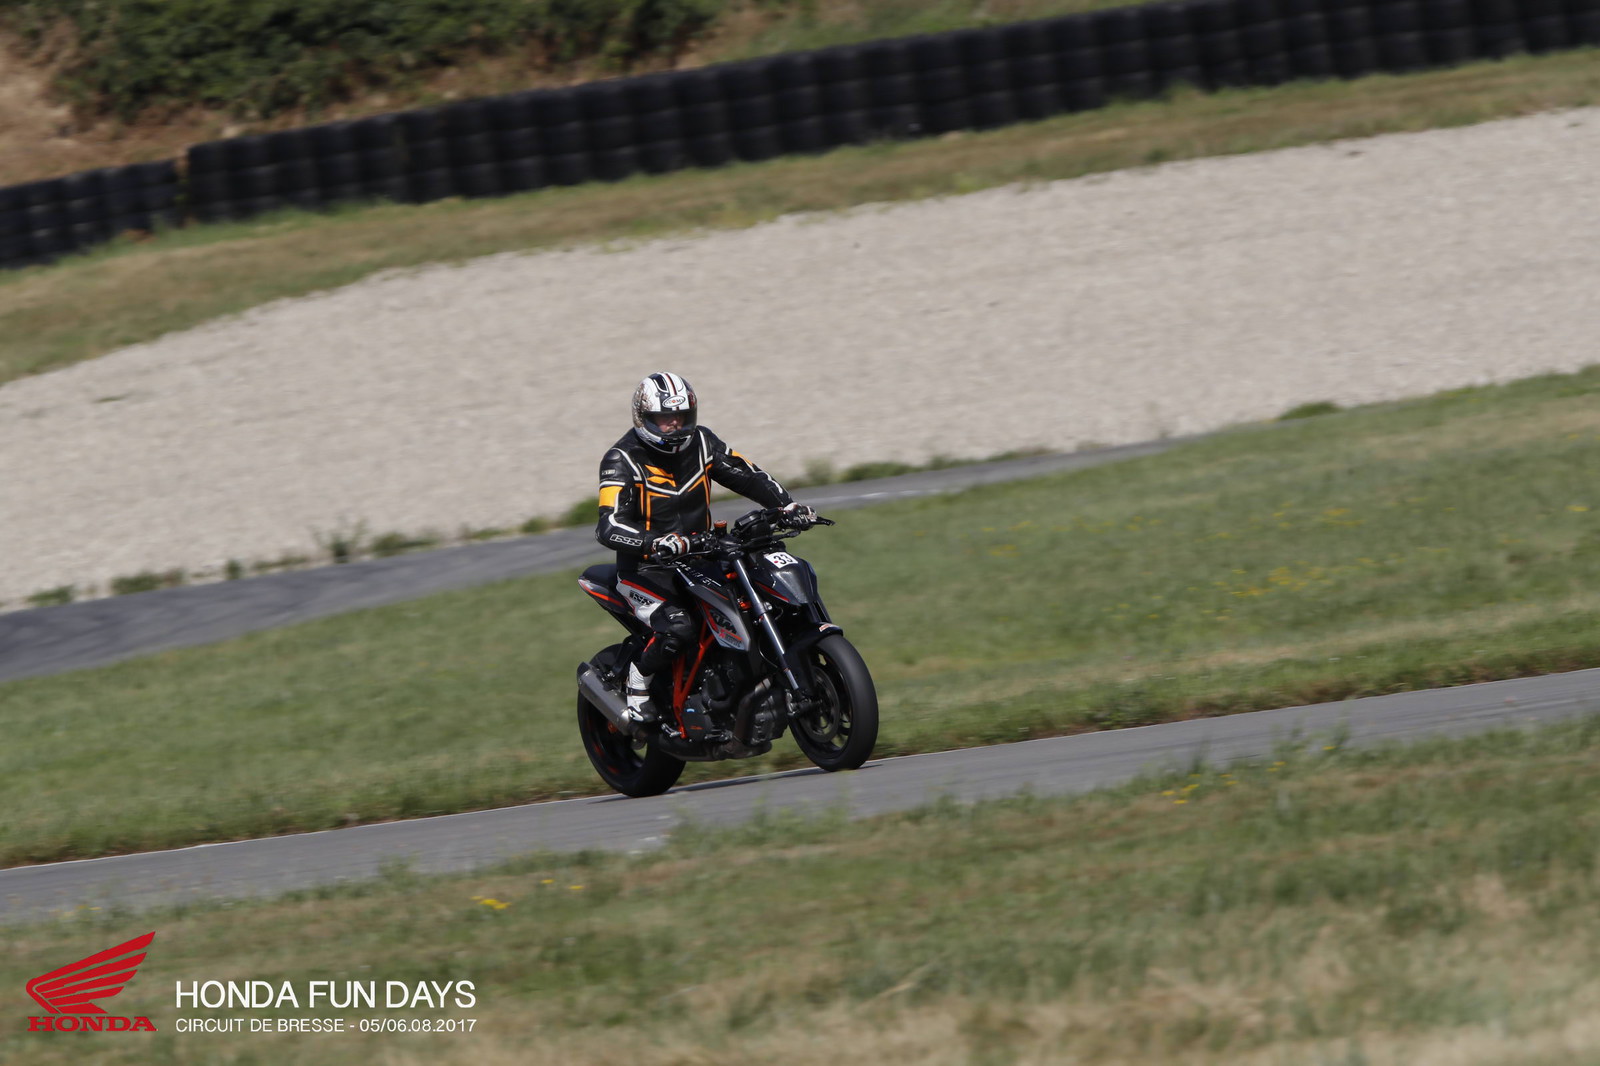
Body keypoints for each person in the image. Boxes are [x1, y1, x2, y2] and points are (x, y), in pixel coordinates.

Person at [594, 371, 813, 727]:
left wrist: (786, 506)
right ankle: (637, 685)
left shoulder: (702, 443)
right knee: (680, 627)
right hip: (647, 570)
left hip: (701, 556)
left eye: (682, 416)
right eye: (665, 418)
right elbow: (609, 526)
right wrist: (655, 542)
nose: (675, 425)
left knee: (758, 597)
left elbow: (747, 474)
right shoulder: (621, 459)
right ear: (643, 418)